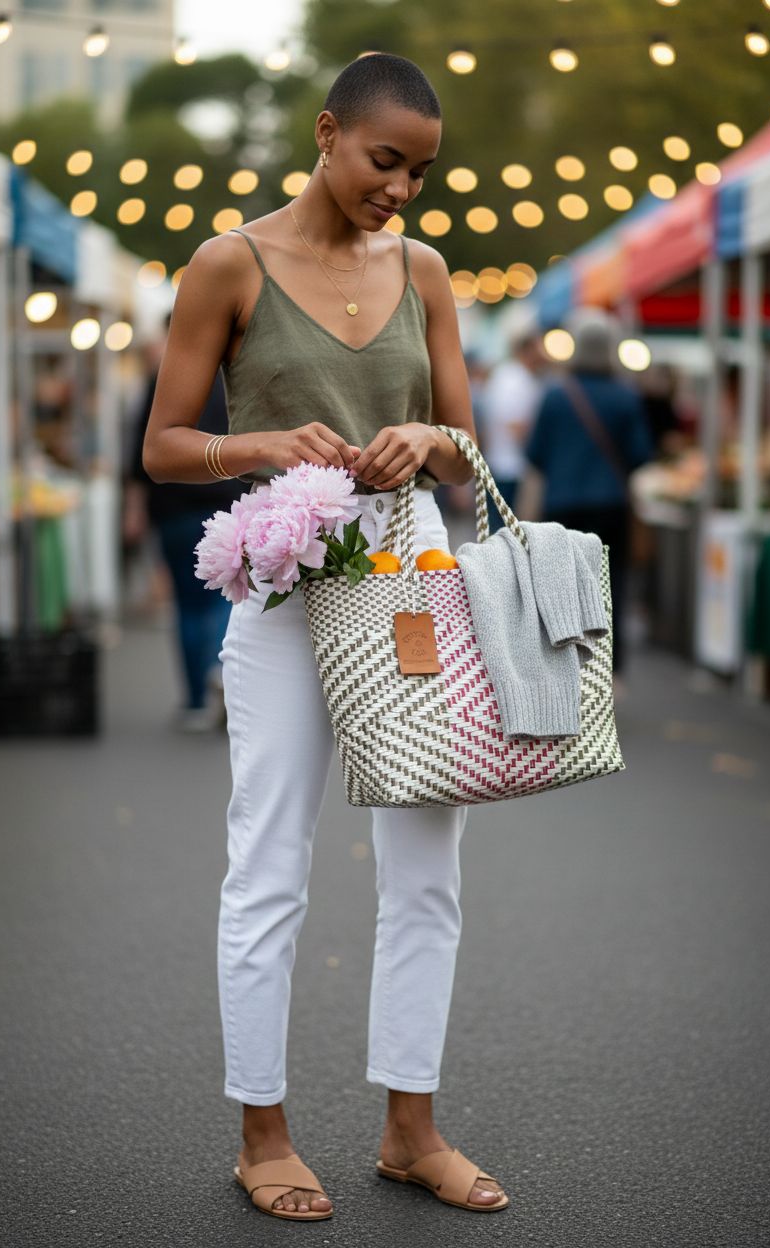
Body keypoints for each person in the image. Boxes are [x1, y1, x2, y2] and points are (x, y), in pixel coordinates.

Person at [142, 53, 510, 1221]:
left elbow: (463, 439)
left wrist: (426, 444)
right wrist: (256, 447)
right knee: (268, 869)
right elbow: (162, 444)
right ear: (327, 135)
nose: (400, 188)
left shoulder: (427, 271)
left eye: (420, 172)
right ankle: (264, 1133)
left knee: (425, 872)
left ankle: (412, 1129)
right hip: (286, 582)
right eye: (383, 161)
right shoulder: (227, 264)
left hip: (411, 587)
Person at [523, 306, 654, 684]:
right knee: (611, 588)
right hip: (611, 505)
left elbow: (535, 455)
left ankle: (563, 669)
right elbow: (641, 455)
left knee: (560, 588)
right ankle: (609, 673)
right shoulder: (626, 396)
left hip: (562, 505)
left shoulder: (555, 395)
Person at [127, 316, 244, 731]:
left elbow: (141, 450)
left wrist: (135, 507)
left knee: (188, 603)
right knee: (226, 599)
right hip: (228, 503)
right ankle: (222, 675)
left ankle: (197, 697)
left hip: (174, 505)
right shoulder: (238, 374)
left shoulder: (164, 377)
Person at [481, 326, 545, 531]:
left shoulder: (508, 376)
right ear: (526, 350)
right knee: (505, 529)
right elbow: (515, 425)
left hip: (503, 462)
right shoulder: (515, 379)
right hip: (509, 465)